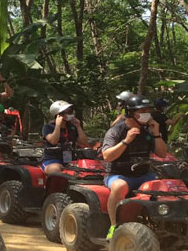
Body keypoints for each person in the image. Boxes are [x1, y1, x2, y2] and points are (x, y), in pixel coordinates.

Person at [101, 94, 167, 239]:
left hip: (144, 175)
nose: (146, 114)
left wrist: (156, 133)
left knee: (167, 186)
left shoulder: (148, 130)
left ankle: (162, 224)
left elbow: (162, 153)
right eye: (142, 111)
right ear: (130, 113)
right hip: (118, 175)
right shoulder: (116, 131)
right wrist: (126, 140)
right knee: (119, 187)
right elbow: (107, 156)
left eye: (147, 110)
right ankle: (114, 226)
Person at [41, 100, 90, 174]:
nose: (68, 114)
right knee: (55, 169)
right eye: (64, 113)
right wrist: (58, 125)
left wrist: (78, 126)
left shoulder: (72, 127)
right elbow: (53, 141)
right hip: (52, 159)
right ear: (57, 115)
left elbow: (84, 143)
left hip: (70, 159)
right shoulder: (48, 127)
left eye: (69, 112)